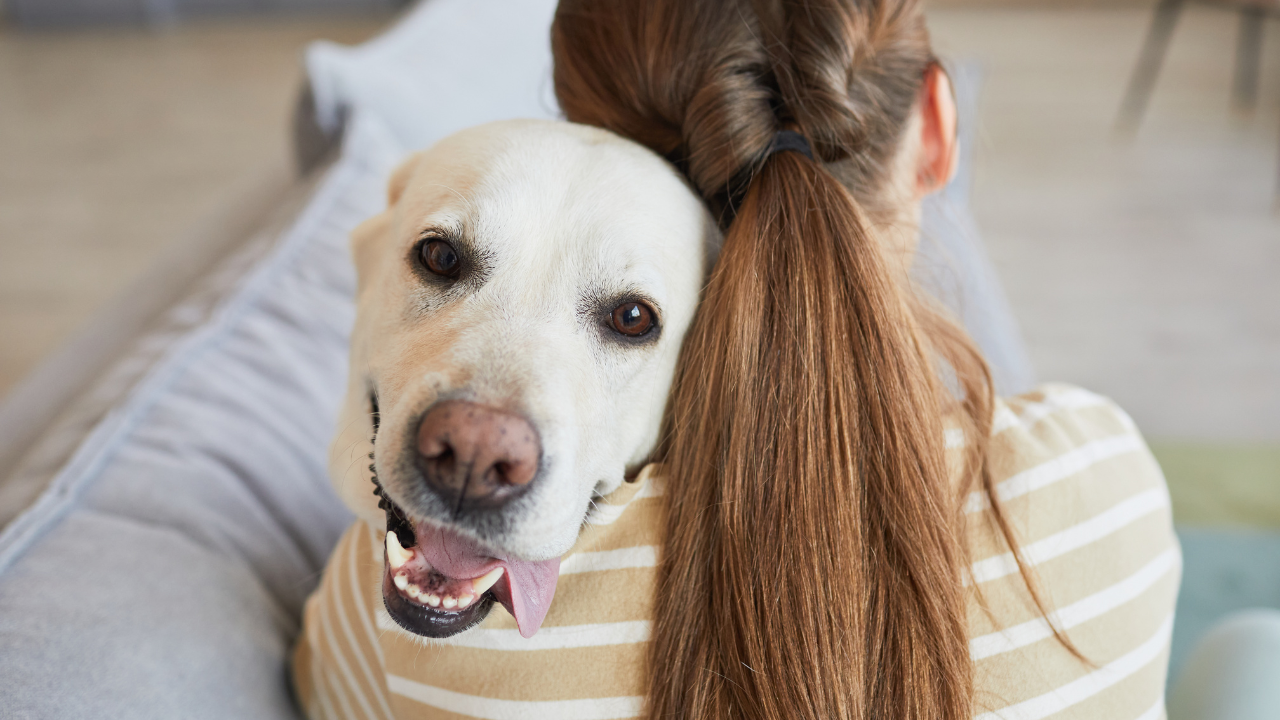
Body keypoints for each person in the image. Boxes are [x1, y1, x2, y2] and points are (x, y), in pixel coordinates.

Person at [296, 2, 1180, 718]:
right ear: (940, 127)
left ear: (593, 120)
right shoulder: (1107, 476)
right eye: (445, 262)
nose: (477, 445)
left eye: (630, 318)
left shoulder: (393, 628)